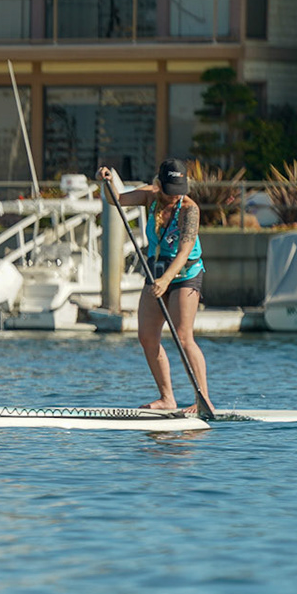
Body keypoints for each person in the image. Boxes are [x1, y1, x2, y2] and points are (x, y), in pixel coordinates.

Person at [101, 161, 213, 413]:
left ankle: (202, 399)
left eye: (179, 189)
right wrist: (106, 182)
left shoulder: (189, 209)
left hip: (184, 275)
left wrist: (166, 281)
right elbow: (115, 199)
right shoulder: (149, 197)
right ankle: (167, 398)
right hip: (156, 272)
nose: (175, 196)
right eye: (169, 189)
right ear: (158, 184)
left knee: (183, 337)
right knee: (147, 337)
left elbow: (184, 252)